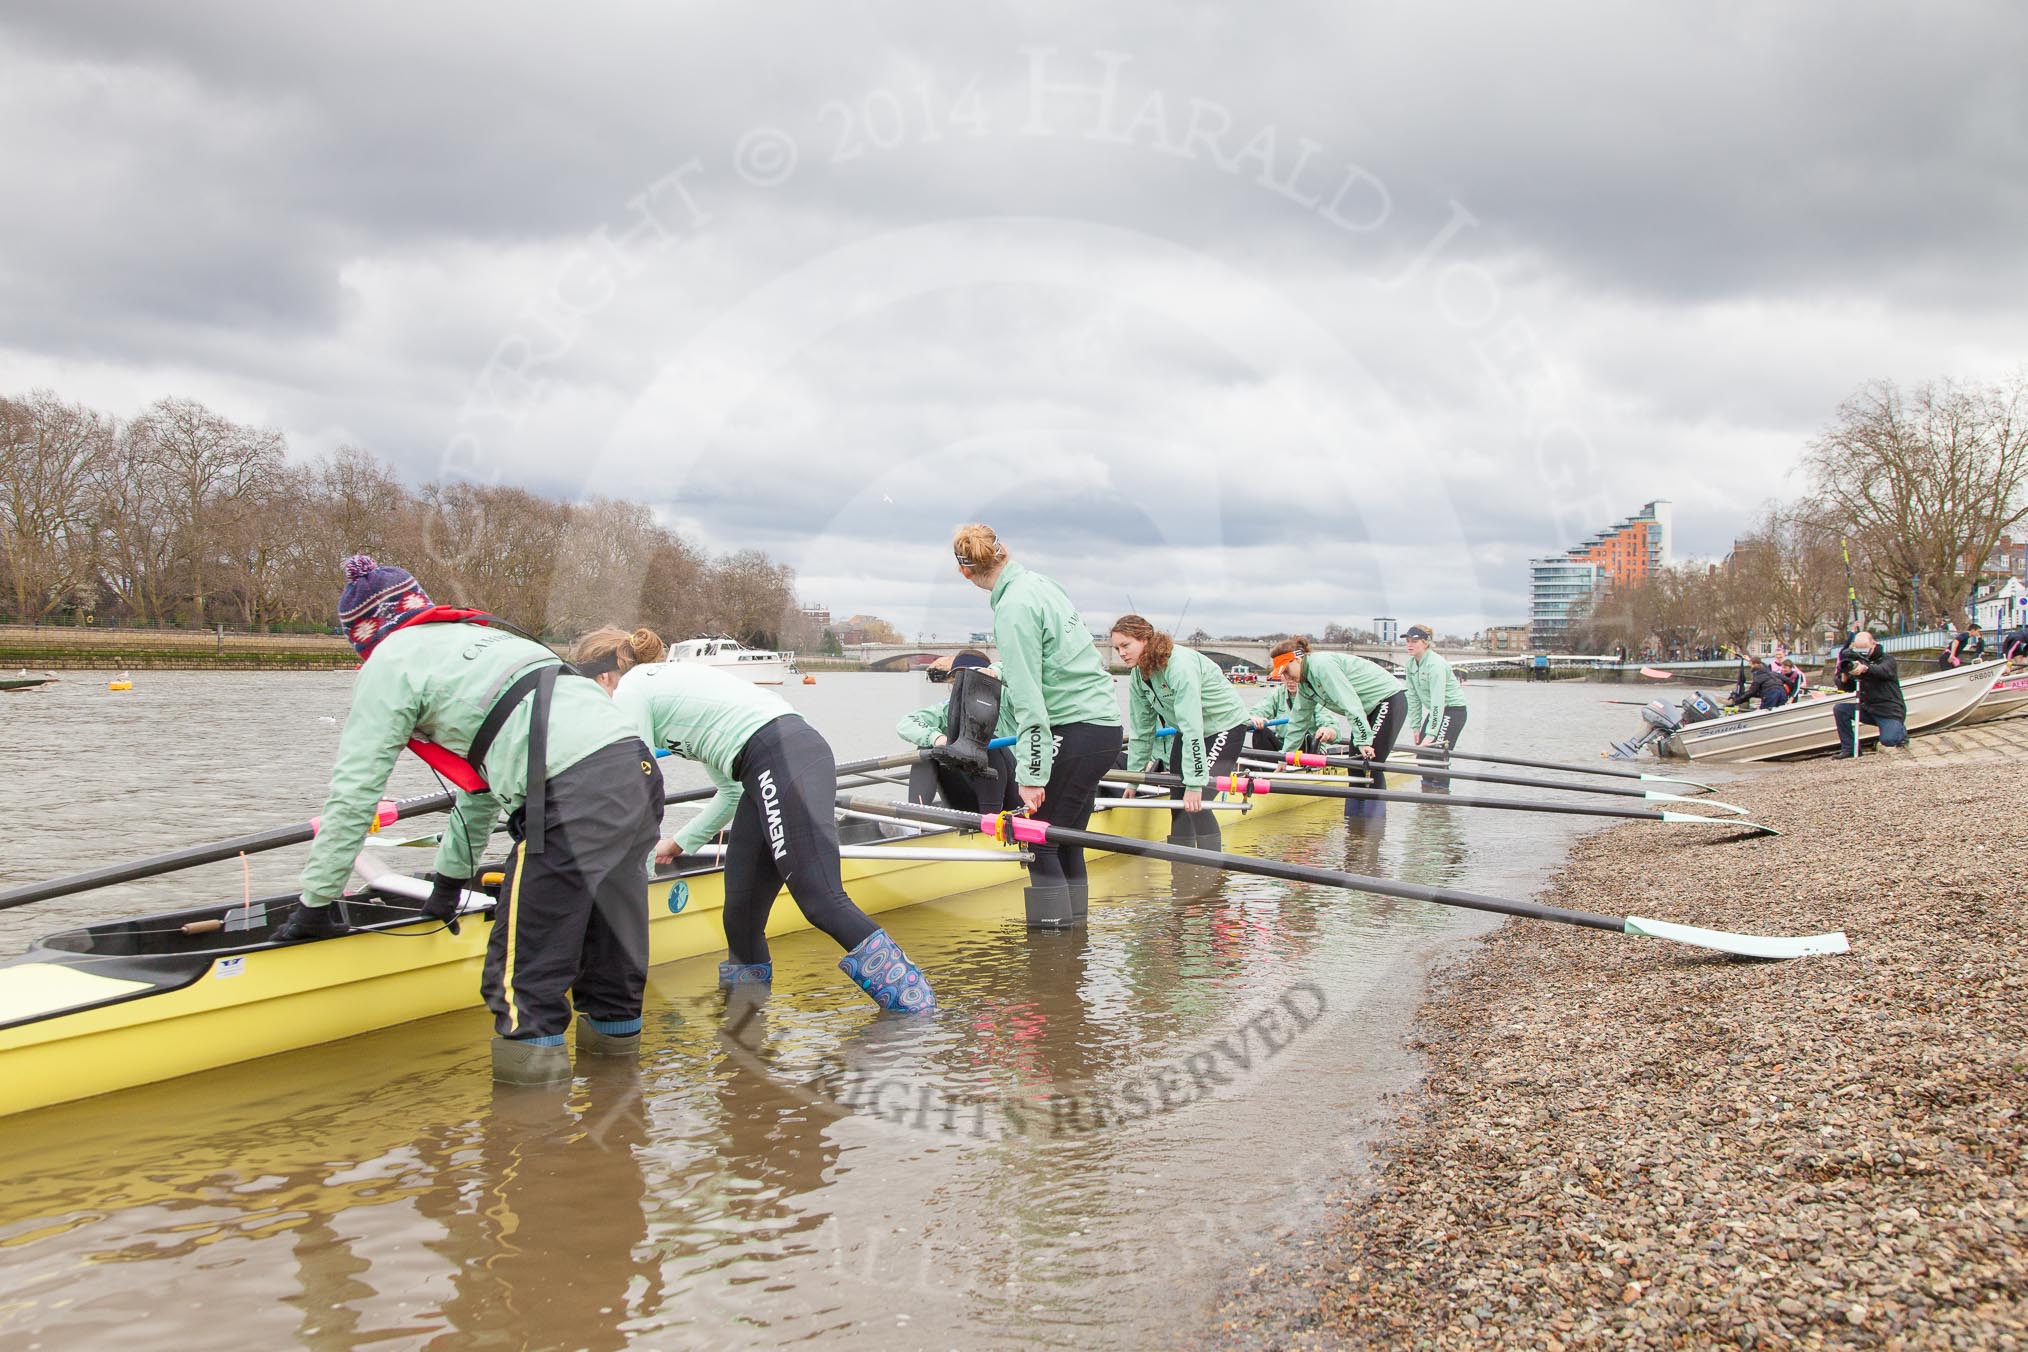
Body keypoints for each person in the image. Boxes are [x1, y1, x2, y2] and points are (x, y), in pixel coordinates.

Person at [279, 557, 663, 1086]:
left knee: (523, 985)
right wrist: (449, 881)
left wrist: (316, 904)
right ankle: (616, 1115)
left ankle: (531, 1141)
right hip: (637, 773)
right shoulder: (485, 640)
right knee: (610, 968)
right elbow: (483, 786)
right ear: (422, 608)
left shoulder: (389, 664)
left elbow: (353, 799)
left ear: (365, 638)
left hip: (571, 796)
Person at [573, 626, 935, 1012]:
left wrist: (633, 874)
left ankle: (920, 1010)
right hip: (768, 763)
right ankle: (743, 1022)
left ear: (604, 676)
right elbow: (730, 792)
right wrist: (679, 844)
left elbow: (636, 787)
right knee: (740, 915)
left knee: (820, 899)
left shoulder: (629, 691)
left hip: (781, 756)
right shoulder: (659, 686)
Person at [953, 523, 1123, 929]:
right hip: (1104, 727)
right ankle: (1072, 954)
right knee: (1065, 841)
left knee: (1034, 835)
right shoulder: (1043, 585)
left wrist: (1031, 775)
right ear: (1003, 550)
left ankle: (1052, 953)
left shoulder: (1012, 609)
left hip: (1076, 729)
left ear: (965, 573)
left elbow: (1030, 703)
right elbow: (1051, 659)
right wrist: (999, 668)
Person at [1110, 613, 1250, 849]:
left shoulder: (1179, 665)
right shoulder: (1137, 675)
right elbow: (1142, 731)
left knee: (1197, 804)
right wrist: (1132, 780)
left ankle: (1212, 874)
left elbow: (1192, 725)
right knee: (1177, 804)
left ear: (1145, 639)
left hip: (1224, 726)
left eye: (1126, 645)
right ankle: (1182, 873)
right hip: (1190, 732)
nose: (1121, 653)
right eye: (1116, 648)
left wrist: (1195, 784)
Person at [1268, 636, 1407, 811]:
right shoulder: (1305, 684)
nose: (1286, 677)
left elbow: (1350, 703)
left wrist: (1364, 741)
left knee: (1371, 764)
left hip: (1388, 699)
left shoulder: (1322, 666)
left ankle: (1374, 829)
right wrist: (1284, 758)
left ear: (1297, 659)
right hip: (1367, 710)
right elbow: (1298, 722)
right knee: (1354, 766)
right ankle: (1354, 828)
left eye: (1286, 670)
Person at [895, 652, 1017, 813]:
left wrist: (995, 671)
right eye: (959, 678)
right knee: (927, 749)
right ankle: (916, 820)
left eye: (971, 677)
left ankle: (990, 822)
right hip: (972, 794)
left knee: (985, 741)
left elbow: (1019, 669)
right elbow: (907, 722)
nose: (965, 685)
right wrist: (937, 738)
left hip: (1014, 791)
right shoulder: (950, 708)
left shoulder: (1008, 700)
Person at [1833, 631, 1908, 757]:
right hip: (1869, 708)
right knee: (1840, 709)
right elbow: (1848, 687)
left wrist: (1865, 669)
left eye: (1865, 649)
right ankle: (1849, 748)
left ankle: (1901, 733)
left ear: (1873, 644)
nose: (1863, 652)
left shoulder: (1887, 659)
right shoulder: (1856, 660)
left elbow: (1882, 671)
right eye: (1859, 649)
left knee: (1889, 740)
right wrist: (1845, 675)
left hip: (1889, 711)